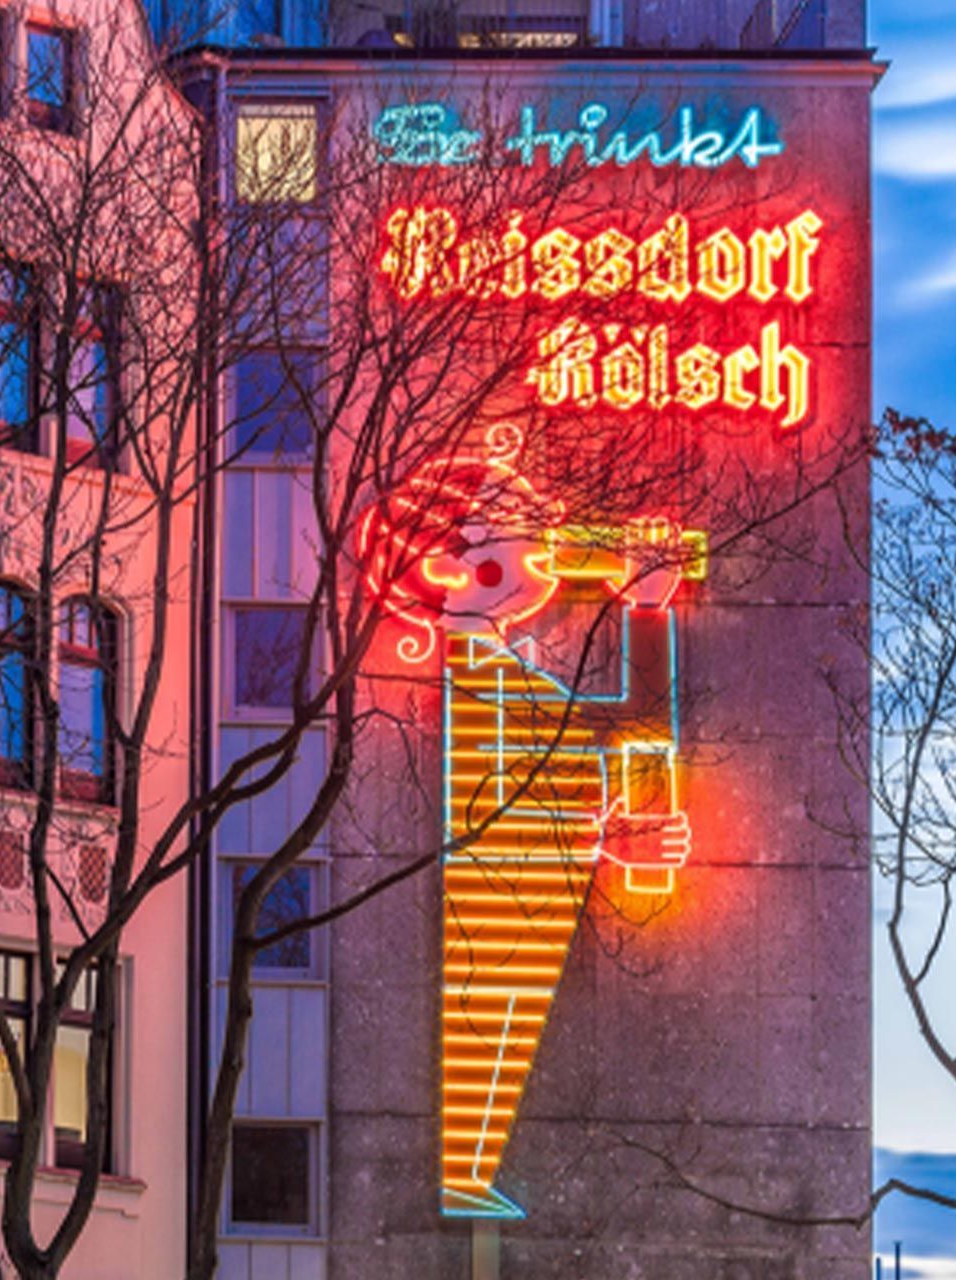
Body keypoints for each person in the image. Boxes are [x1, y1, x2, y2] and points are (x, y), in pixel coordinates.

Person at [356, 425, 693, 1220]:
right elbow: (619, 731)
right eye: (514, 518)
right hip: (504, 906)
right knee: (494, 1030)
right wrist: (646, 612)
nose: (544, 529)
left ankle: (468, 1172)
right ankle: (465, 1173)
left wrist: (604, 834)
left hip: (519, 901)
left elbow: (605, 740)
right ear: (448, 567)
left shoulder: (502, 675)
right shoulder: (483, 680)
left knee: (502, 1031)